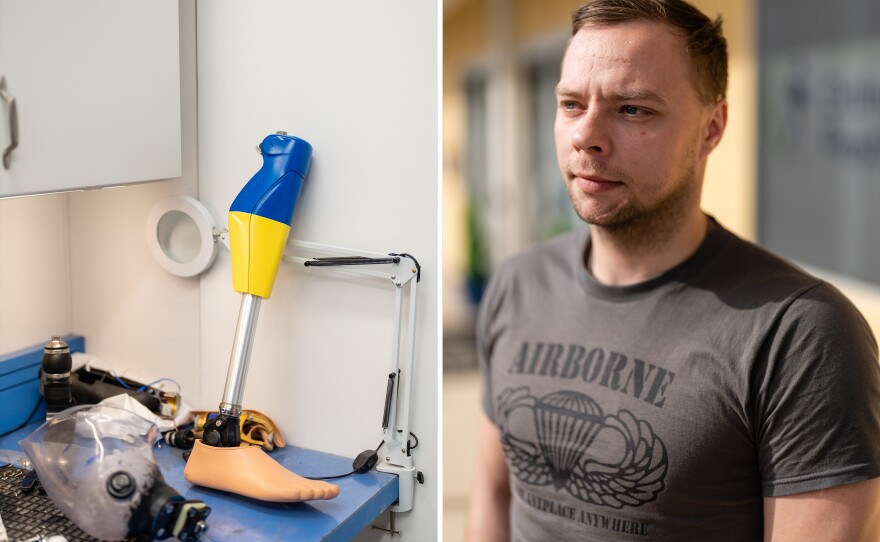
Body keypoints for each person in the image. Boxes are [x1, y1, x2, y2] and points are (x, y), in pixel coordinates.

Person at [467, 0, 880, 540]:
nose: (585, 135)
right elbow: (493, 494)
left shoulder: (801, 333)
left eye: (633, 109)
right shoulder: (517, 284)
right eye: (571, 104)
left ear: (711, 128)